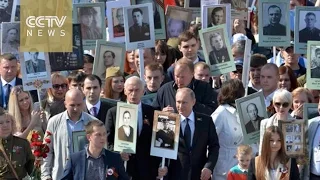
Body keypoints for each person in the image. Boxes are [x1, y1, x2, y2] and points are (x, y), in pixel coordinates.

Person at [158, 88, 220, 180]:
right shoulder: (169, 121)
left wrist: (209, 167)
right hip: (176, 175)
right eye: (178, 102)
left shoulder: (206, 121)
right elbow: (162, 148)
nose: (180, 106)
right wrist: (163, 166)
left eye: (184, 102)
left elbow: (214, 146)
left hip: (199, 174)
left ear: (193, 102)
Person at [105, 76, 160, 179]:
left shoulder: (152, 112)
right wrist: (118, 153)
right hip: (123, 168)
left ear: (143, 91)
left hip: (146, 170)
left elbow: (156, 141)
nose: (133, 94)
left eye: (137, 90)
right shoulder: (113, 112)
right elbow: (108, 141)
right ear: (125, 91)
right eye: (130, 90)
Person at [41, 89, 97, 180]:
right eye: (72, 105)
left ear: (83, 103)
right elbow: (47, 150)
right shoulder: (54, 122)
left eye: (79, 105)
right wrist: (45, 175)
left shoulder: (93, 123)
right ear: (65, 104)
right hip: (61, 174)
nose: (76, 108)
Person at [61, 120, 129, 180]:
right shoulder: (75, 159)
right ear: (89, 137)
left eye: (104, 134)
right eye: (98, 135)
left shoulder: (115, 158)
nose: (102, 138)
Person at [153, 58, 218, 116]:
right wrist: (162, 114)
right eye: (177, 76)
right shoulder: (164, 90)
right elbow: (152, 114)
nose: (179, 80)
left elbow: (213, 112)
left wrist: (191, 105)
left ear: (192, 74)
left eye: (182, 77)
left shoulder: (204, 88)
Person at [211, 79, 247, 180]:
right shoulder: (220, 113)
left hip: (242, 167)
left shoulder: (244, 110)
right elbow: (209, 141)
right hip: (224, 169)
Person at [0, 108, 34, 179]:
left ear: (12, 124)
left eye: (8, 122)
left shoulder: (23, 143)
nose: (5, 125)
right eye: (0, 123)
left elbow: (31, 169)